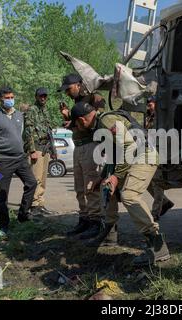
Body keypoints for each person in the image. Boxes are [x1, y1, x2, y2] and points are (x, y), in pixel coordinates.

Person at [70, 102, 170, 266]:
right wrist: (103, 177)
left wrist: (116, 176)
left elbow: (128, 147)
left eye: (77, 126)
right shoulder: (100, 125)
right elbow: (112, 155)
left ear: (81, 120)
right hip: (133, 157)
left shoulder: (107, 121)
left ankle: (157, 246)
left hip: (144, 155)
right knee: (105, 186)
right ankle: (109, 234)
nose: (78, 129)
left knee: (130, 196)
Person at [58, 74, 105, 240]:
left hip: (91, 146)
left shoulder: (94, 98)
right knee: (79, 188)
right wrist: (68, 120)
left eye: (68, 89)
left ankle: (96, 221)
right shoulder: (77, 102)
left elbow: (97, 123)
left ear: (78, 85)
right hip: (78, 146)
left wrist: (72, 122)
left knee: (91, 187)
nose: (67, 93)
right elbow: (79, 126)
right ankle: (84, 219)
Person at [0, 87, 37, 238]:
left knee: (32, 183)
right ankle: (3, 224)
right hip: (2, 163)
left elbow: (23, 136)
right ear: (0, 99)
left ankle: (22, 214)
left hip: (20, 159)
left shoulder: (20, 115)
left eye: (12, 97)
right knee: (2, 191)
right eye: (7, 97)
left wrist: (30, 151)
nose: (10, 99)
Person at [23, 88, 57, 216]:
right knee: (35, 178)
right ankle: (34, 205)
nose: (43, 98)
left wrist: (53, 150)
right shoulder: (32, 110)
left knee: (43, 179)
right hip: (36, 148)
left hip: (45, 148)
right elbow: (29, 131)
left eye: (45, 96)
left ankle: (40, 204)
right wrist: (32, 150)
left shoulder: (45, 110)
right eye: (41, 96)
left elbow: (49, 132)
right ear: (36, 96)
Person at [145, 96, 175, 221]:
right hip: (151, 152)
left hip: (161, 152)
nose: (149, 107)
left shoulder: (163, 117)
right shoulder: (149, 117)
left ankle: (156, 212)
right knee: (148, 182)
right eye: (148, 104)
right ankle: (165, 202)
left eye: (151, 104)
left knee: (157, 181)